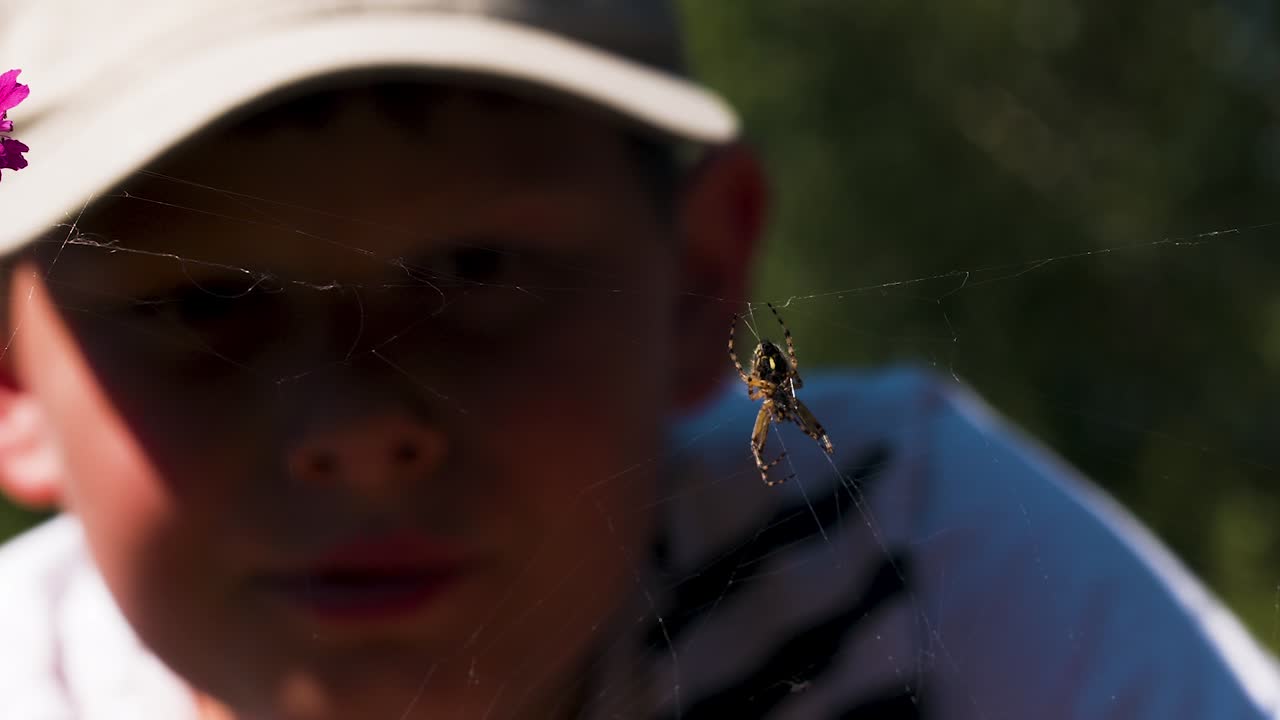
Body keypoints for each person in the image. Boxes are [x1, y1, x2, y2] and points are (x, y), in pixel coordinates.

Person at [0, 2, 1275, 719]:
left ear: (698, 286)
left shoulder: (910, 557)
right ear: (14, 380)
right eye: (212, 299)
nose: (361, 421)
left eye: (476, 272)